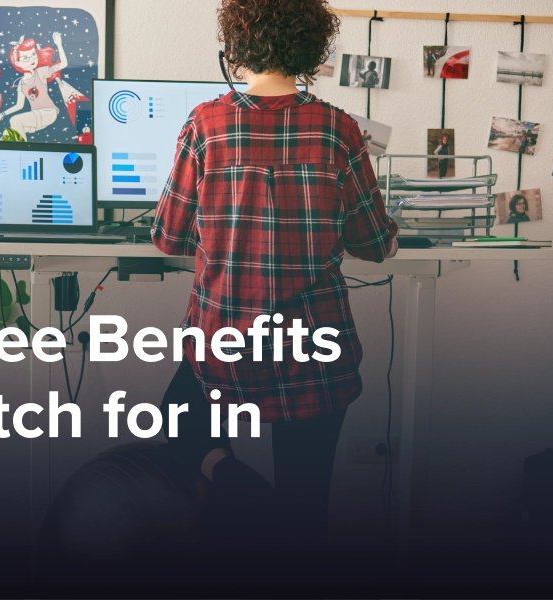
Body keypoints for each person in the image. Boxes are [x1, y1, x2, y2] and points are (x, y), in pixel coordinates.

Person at [152, 0, 399, 555]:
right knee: (305, 512)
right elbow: (374, 245)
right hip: (315, 351)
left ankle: (228, 476)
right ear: (312, 50)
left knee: (175, 416)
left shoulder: (206, 124)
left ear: (236, 49)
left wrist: (222, 233)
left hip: (226, 346)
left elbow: (167, 237)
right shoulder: (338, 129)